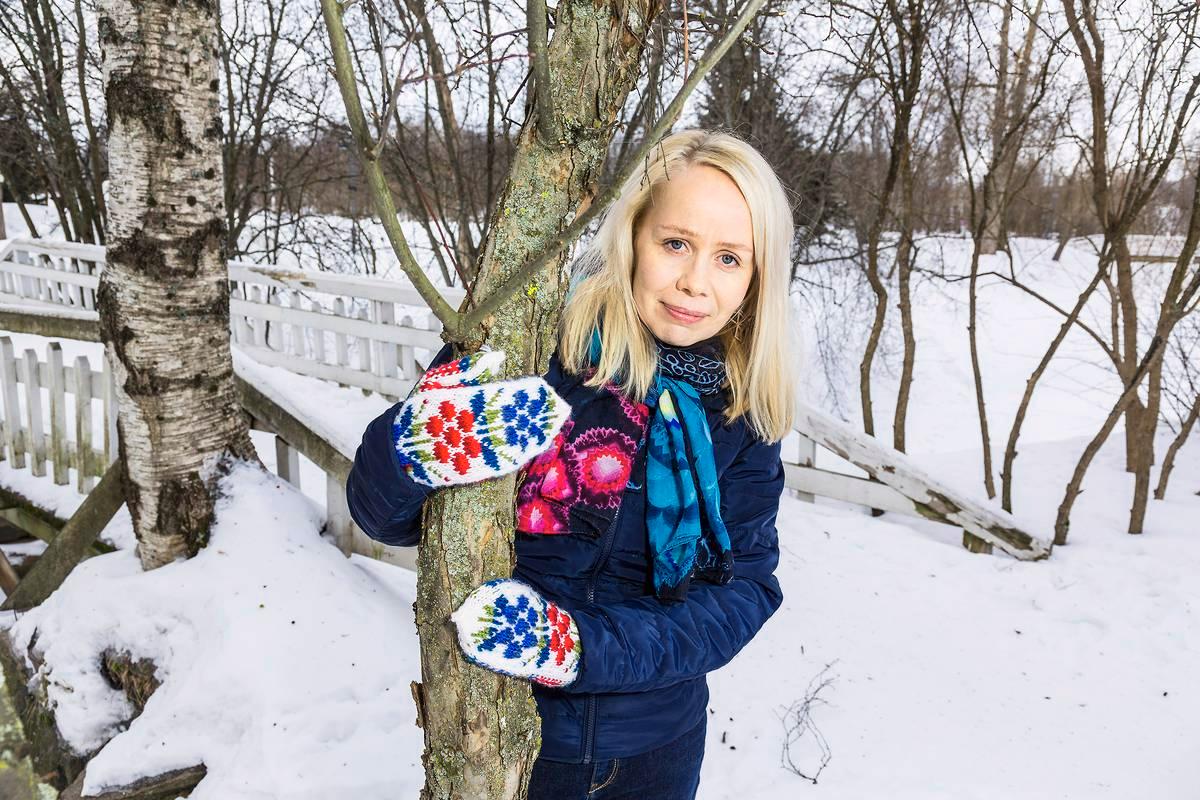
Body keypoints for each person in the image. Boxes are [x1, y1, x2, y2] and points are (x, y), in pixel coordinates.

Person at [346, 128, 797, 799]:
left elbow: (743, 592)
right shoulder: (538, 350)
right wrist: (413, 450)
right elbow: (379, 517)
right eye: (676, 243)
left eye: (730, 258)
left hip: (657, 754)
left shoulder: (740, 414)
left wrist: (576, 646)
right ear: (633, 236)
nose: (695, 282)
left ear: (759, 277)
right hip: (508, 742)